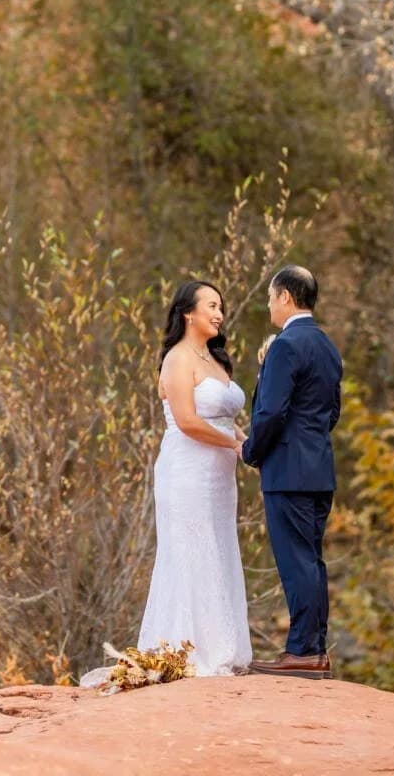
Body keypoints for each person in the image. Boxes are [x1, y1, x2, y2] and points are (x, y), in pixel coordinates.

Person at [136, 279, 253, 676]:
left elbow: (226, 419)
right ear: (189, 312)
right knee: (190, 547)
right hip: (186, 469)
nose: (219, 314)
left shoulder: (215, 361)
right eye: (212, 306)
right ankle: (186, 649)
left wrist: (247, 444)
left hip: (219, 475)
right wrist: (233, 446)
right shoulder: (177, 359)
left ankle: (223, 644)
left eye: (221, 307)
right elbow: (187, 421)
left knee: (219, 544)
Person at [240, 265, 342, 679]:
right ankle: (312, 649)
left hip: (288, 472)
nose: (268, 306)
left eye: (269, 298)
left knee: (297, 562)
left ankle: (302, 650)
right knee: (311, 562)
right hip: (319, 468)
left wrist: (251, 451)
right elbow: (331, 412)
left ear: (285, 296)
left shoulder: (286, 345)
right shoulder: (327, 346)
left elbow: (271, 411)